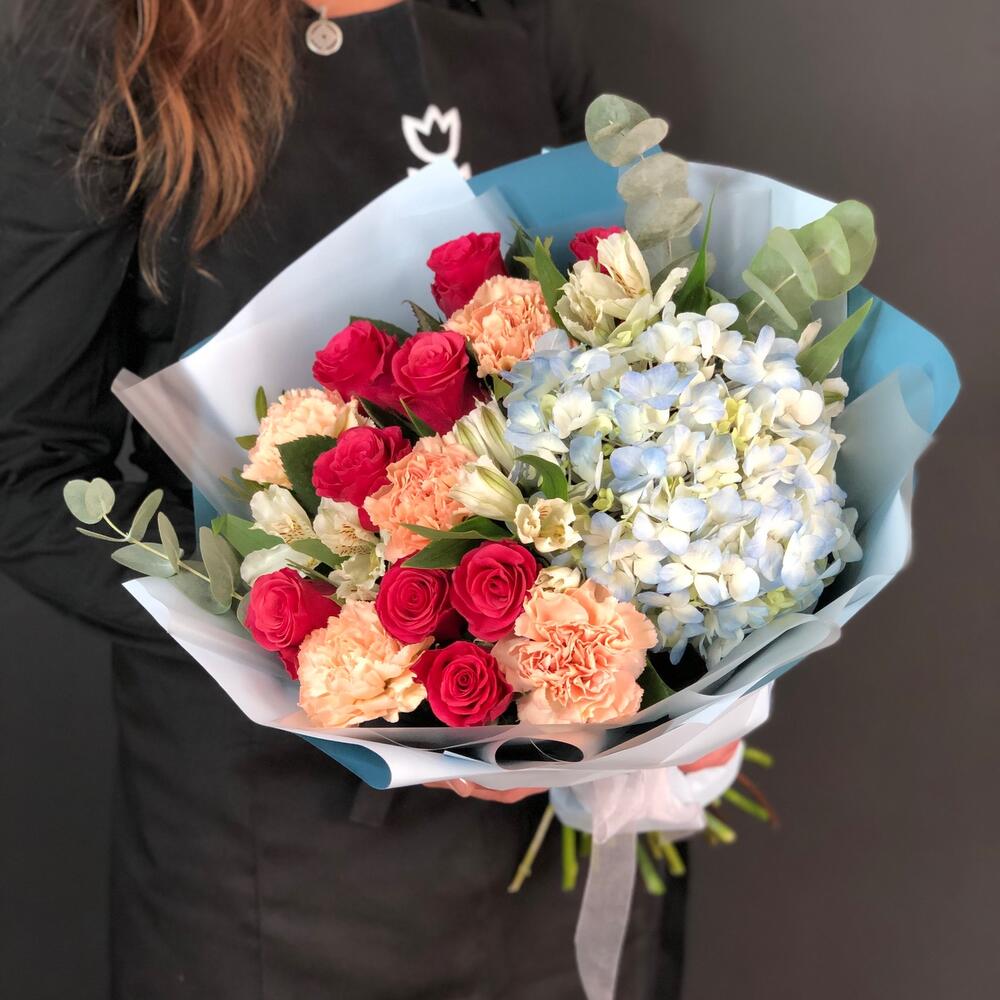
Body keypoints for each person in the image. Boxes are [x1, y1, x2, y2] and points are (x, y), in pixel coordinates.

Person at [0, 2, 687, 997]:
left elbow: (630, 347)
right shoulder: (111, 40)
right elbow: (21, 464)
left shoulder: (517, 19)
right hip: (278, 865)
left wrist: (670, 672)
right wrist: (305, 632)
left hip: (553, 818)